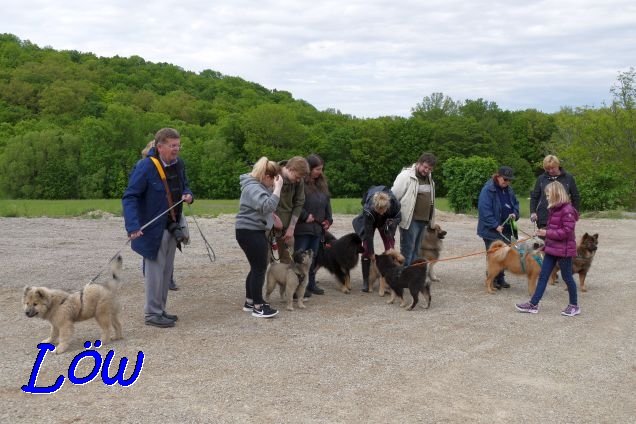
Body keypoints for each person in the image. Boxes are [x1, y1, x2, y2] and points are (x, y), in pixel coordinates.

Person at [123, 128, 194, 328]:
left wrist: (188, 195)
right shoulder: (145, 167)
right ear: (159, 146)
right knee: (154, 272)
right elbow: (130, 197)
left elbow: (185, 185)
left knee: (166, 271)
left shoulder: (179, 164)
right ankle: (152, 313)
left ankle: (161, 310)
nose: (176, 149)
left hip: (172, 226)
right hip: (153, 230)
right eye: (172, 146)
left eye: (178, 145)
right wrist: (133, 227)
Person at [515, 181, 581, 316]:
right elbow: (553, 228)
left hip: (564, 251)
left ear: (556, 194)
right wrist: (541, 232)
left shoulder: (567, 210)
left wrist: (546, 233)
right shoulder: (554, 208)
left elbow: (566, 232)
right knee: (544, 276)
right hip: (552, 248)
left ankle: (574, 305)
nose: (546, 198)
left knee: (567, 277)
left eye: (548, 195)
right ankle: (533, 305)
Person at [235, 157, 284, 318]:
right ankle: (258, 306)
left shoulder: (257, 186)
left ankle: (250, 302)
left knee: (256, 267)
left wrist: (272, 217)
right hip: (250, 232)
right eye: (273, 180)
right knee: (259, 268)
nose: (273, 184)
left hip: (251, 231)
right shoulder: (253, 188)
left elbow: (267, 205)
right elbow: (267, 205)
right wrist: (278, 188)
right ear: (267, 177)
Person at [140, 140, 178, 291]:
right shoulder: (144, 167)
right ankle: (150, 278)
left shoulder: (171, 166)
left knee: (168, 248)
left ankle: (168, 278)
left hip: (168, 214)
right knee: (150, 250)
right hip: (150, 217)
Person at [294, 154, 333, 296]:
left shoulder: (322, 184)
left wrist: (329, 219)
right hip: (303, 228)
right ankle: (297, 287)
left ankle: (310, 284)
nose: (320, 172)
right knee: (300, 258)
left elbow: (327, 203)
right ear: (309, 168)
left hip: (317, 229)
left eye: (321, 169)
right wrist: (305, 216)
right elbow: (295, 203)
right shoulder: (300, 183)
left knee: (313, 258)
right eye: (317, 169)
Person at [477, 166, 520, 289]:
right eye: (505, 179)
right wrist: (495, 225)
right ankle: (492, 279)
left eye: (509, 180)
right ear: (498, 176)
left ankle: (500, 278)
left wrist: (514, 214)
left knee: (504, 255)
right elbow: (484, 210)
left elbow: (516, 204)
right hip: (491, 230)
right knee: (494, 256)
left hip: (506, 229)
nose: (507, 182)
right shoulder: (488, 189)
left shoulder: (509, 190)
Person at [352, 186, 401, 292]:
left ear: (388, 206)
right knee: (366, 249)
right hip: (371, 220)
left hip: (387, 221)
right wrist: (371, 253)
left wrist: (392, 222)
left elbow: (399, 217)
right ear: (374, 206)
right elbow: (368, 235)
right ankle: (366, 281)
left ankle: (389, 280)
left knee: (390, 248)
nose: (381, 212)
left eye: (383, 210)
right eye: (378, 210)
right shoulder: (368, 210)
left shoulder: (394, 205)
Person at [391, 152, 437, 266]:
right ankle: (404, 276)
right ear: (419, 163)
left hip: (424, 220)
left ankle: (413, 277)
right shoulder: (406, 176)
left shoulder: (429, 179)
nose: (427, 170)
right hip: (410, 221)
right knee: (408, 249)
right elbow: (394, 196)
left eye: (430, 169)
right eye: (425, 167)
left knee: (417, 251)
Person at [271, 156, 310, 264]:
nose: (298, 180)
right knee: (264, 264)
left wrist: (291, 227)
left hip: (285, 229)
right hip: (267, 226)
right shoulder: (271, 173)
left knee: (288, 263)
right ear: (291, 169)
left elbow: (299, 202)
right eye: (297, 177)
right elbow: (262, 200)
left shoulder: (299, 181)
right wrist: (272, 217)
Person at [530, 155, 580, 231]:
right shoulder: (541, 179)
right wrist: (533, 212)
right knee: (545, 241)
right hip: (543, 217)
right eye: (547, 169)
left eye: (552, 168)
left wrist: (574, 213)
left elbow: (575, 196)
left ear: (558, 165)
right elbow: (534, 197)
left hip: (563, 217)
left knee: (561, 238)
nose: (550, 171)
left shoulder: (568, 178)